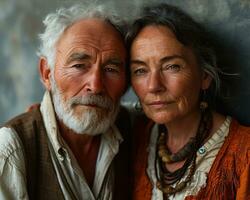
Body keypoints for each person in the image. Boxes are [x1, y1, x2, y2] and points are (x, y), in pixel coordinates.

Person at [0, 3, 130, 200]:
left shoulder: (135, 128)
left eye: (111, 69)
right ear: (46, 73)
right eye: (79, 66)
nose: (95, 86)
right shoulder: (10, 149)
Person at [126, 3, 250, 200]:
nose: (153, 86)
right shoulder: (133, 139)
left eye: (172, 66)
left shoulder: (244, 154)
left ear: (205, 76)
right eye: (140, 70)